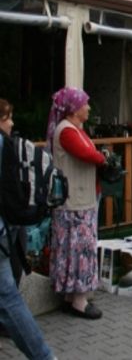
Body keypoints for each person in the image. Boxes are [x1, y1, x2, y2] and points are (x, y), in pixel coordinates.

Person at [0, 99, 55, 359]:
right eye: (6, 118)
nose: (11, 123)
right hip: (5, 231)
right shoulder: (4, 145)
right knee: (9, 299)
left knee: (8, 298)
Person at [47, 87, 107, 320]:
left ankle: (70, 297)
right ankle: (79, 300)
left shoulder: (75, 129)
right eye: (85, 104)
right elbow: (89, 155)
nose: (89, 108)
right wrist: (103, 158)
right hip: (74, 202)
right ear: (74, 109)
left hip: (81, 199)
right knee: (79, 248)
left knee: (75, 248)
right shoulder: (67, 131)